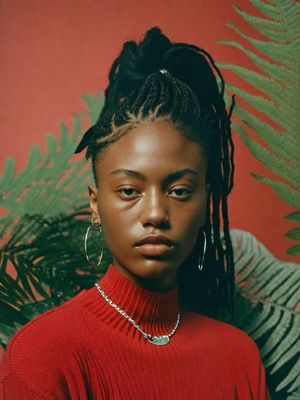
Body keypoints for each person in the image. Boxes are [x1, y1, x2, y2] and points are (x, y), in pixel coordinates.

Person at [0, 27, 268, 399]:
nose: (156, 212)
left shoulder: (239, 358)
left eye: (178, 191)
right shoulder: (41, 357)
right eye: (129, 191)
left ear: (206, 202)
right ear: (96, 204)